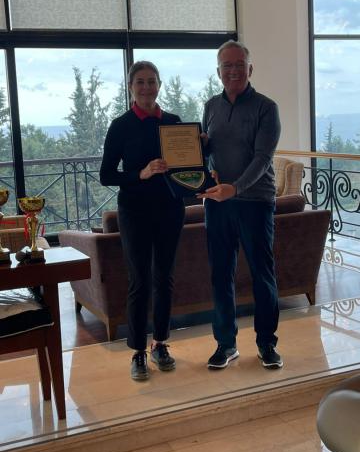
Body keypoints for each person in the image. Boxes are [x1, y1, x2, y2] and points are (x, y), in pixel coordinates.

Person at [197, 40, 283, 370]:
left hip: (255, 202)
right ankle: (226, 344)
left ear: (250, 68)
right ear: (218, 71)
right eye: (226, 65)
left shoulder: (266, 108)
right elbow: (210, 151)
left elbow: (263, 158)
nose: (233, 70)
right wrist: (198, 150)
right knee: (220, 274)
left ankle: (266, 343)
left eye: (239, 64)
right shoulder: (210, 107)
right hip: (218, 203)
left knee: (263, 274)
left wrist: (236, 189)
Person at [100, 61, 185, 381]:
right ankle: (137, 351)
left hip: (170, 209)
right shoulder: (120, 126)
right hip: (134, 211)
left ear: (159, 85)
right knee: (139, 281)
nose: (146, 87)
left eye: (151, 81)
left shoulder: (175, 123)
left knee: (165, 278)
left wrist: (200, 150)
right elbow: (107, 175)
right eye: (140, 82)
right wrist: (141, 173)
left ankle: (160, 343)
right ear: (131, 87)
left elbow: (188, 168)